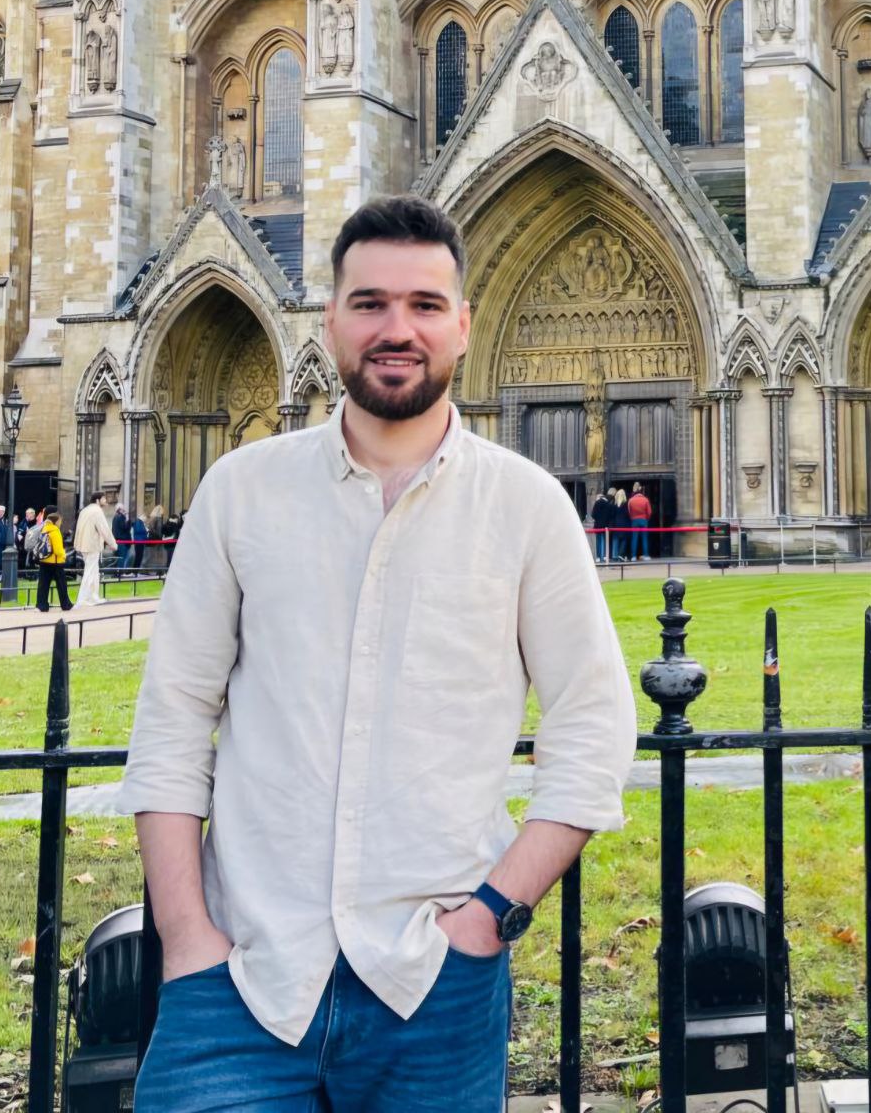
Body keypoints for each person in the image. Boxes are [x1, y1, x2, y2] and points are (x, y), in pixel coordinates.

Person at [119, 194, 636, 1112]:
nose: (398, 329)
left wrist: (490, 919)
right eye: (370, 304)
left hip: (432, 986)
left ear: (465, 326)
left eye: (425, 305)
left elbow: (594, 724)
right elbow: (172, 720)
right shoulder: (240, 490)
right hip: (240, 983)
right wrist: (187, 937)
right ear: (329, 321)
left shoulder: (526, 507)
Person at [73, 491, 117, 608]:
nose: (105, 501)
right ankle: (83, 599)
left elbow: (78, 528)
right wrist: (113, 544)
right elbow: (104, 529)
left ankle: (93, 596)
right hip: (92, 544)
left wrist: (77, 543)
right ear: (98, 500)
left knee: (93, 571)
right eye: (103, 498)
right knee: (90, 571)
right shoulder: (97, 511)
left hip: (84, 544)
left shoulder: (85, 510)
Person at [35, 507, 73, 613]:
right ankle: (66, 605)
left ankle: (41, 605)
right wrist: (64, 555)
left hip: (44, 561)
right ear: (56, 521)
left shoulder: (44, 529)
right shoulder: (55, 531)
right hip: (56, 562)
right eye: (60, 521)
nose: (61, 523)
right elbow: (58, 550)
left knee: (43, 585)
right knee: (61, 585)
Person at [627, 482, 652, 561]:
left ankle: (633, 556)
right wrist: (646, 518)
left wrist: (632, 517)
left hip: (634, 520)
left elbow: (629, 511)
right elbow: (649, 512)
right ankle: (646, 555)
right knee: (644, 538)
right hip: (644, 520)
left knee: (634, 538)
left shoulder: (631, 500)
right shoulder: (645, 500)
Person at [590, 488, 612, 563]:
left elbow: (593, 515)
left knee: (598, 541)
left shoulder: (597, 503)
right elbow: (610, 516)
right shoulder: (608, 504)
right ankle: (605, 556)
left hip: (598, 525)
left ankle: (599, 557)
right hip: (606, 525)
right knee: (605, 540)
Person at [611, 488, 630, 562]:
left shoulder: (614, 505)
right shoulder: (625, 505)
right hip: (624, 525)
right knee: (624, 540)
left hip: (616, 525)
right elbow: (628, 515)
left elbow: (612, 516)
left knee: (615, 540)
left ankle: (614, 555)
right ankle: (621, 554)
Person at [112, 503, 130, 569]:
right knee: (123, 558)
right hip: (123, 541)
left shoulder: (115, 517)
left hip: (119, 540)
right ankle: (121, 572)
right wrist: (127, 519)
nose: (124, 510)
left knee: (120, 558)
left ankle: (119, 572)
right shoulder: (120, 517)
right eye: (123, 509)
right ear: (120, 509)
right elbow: (125, 527)